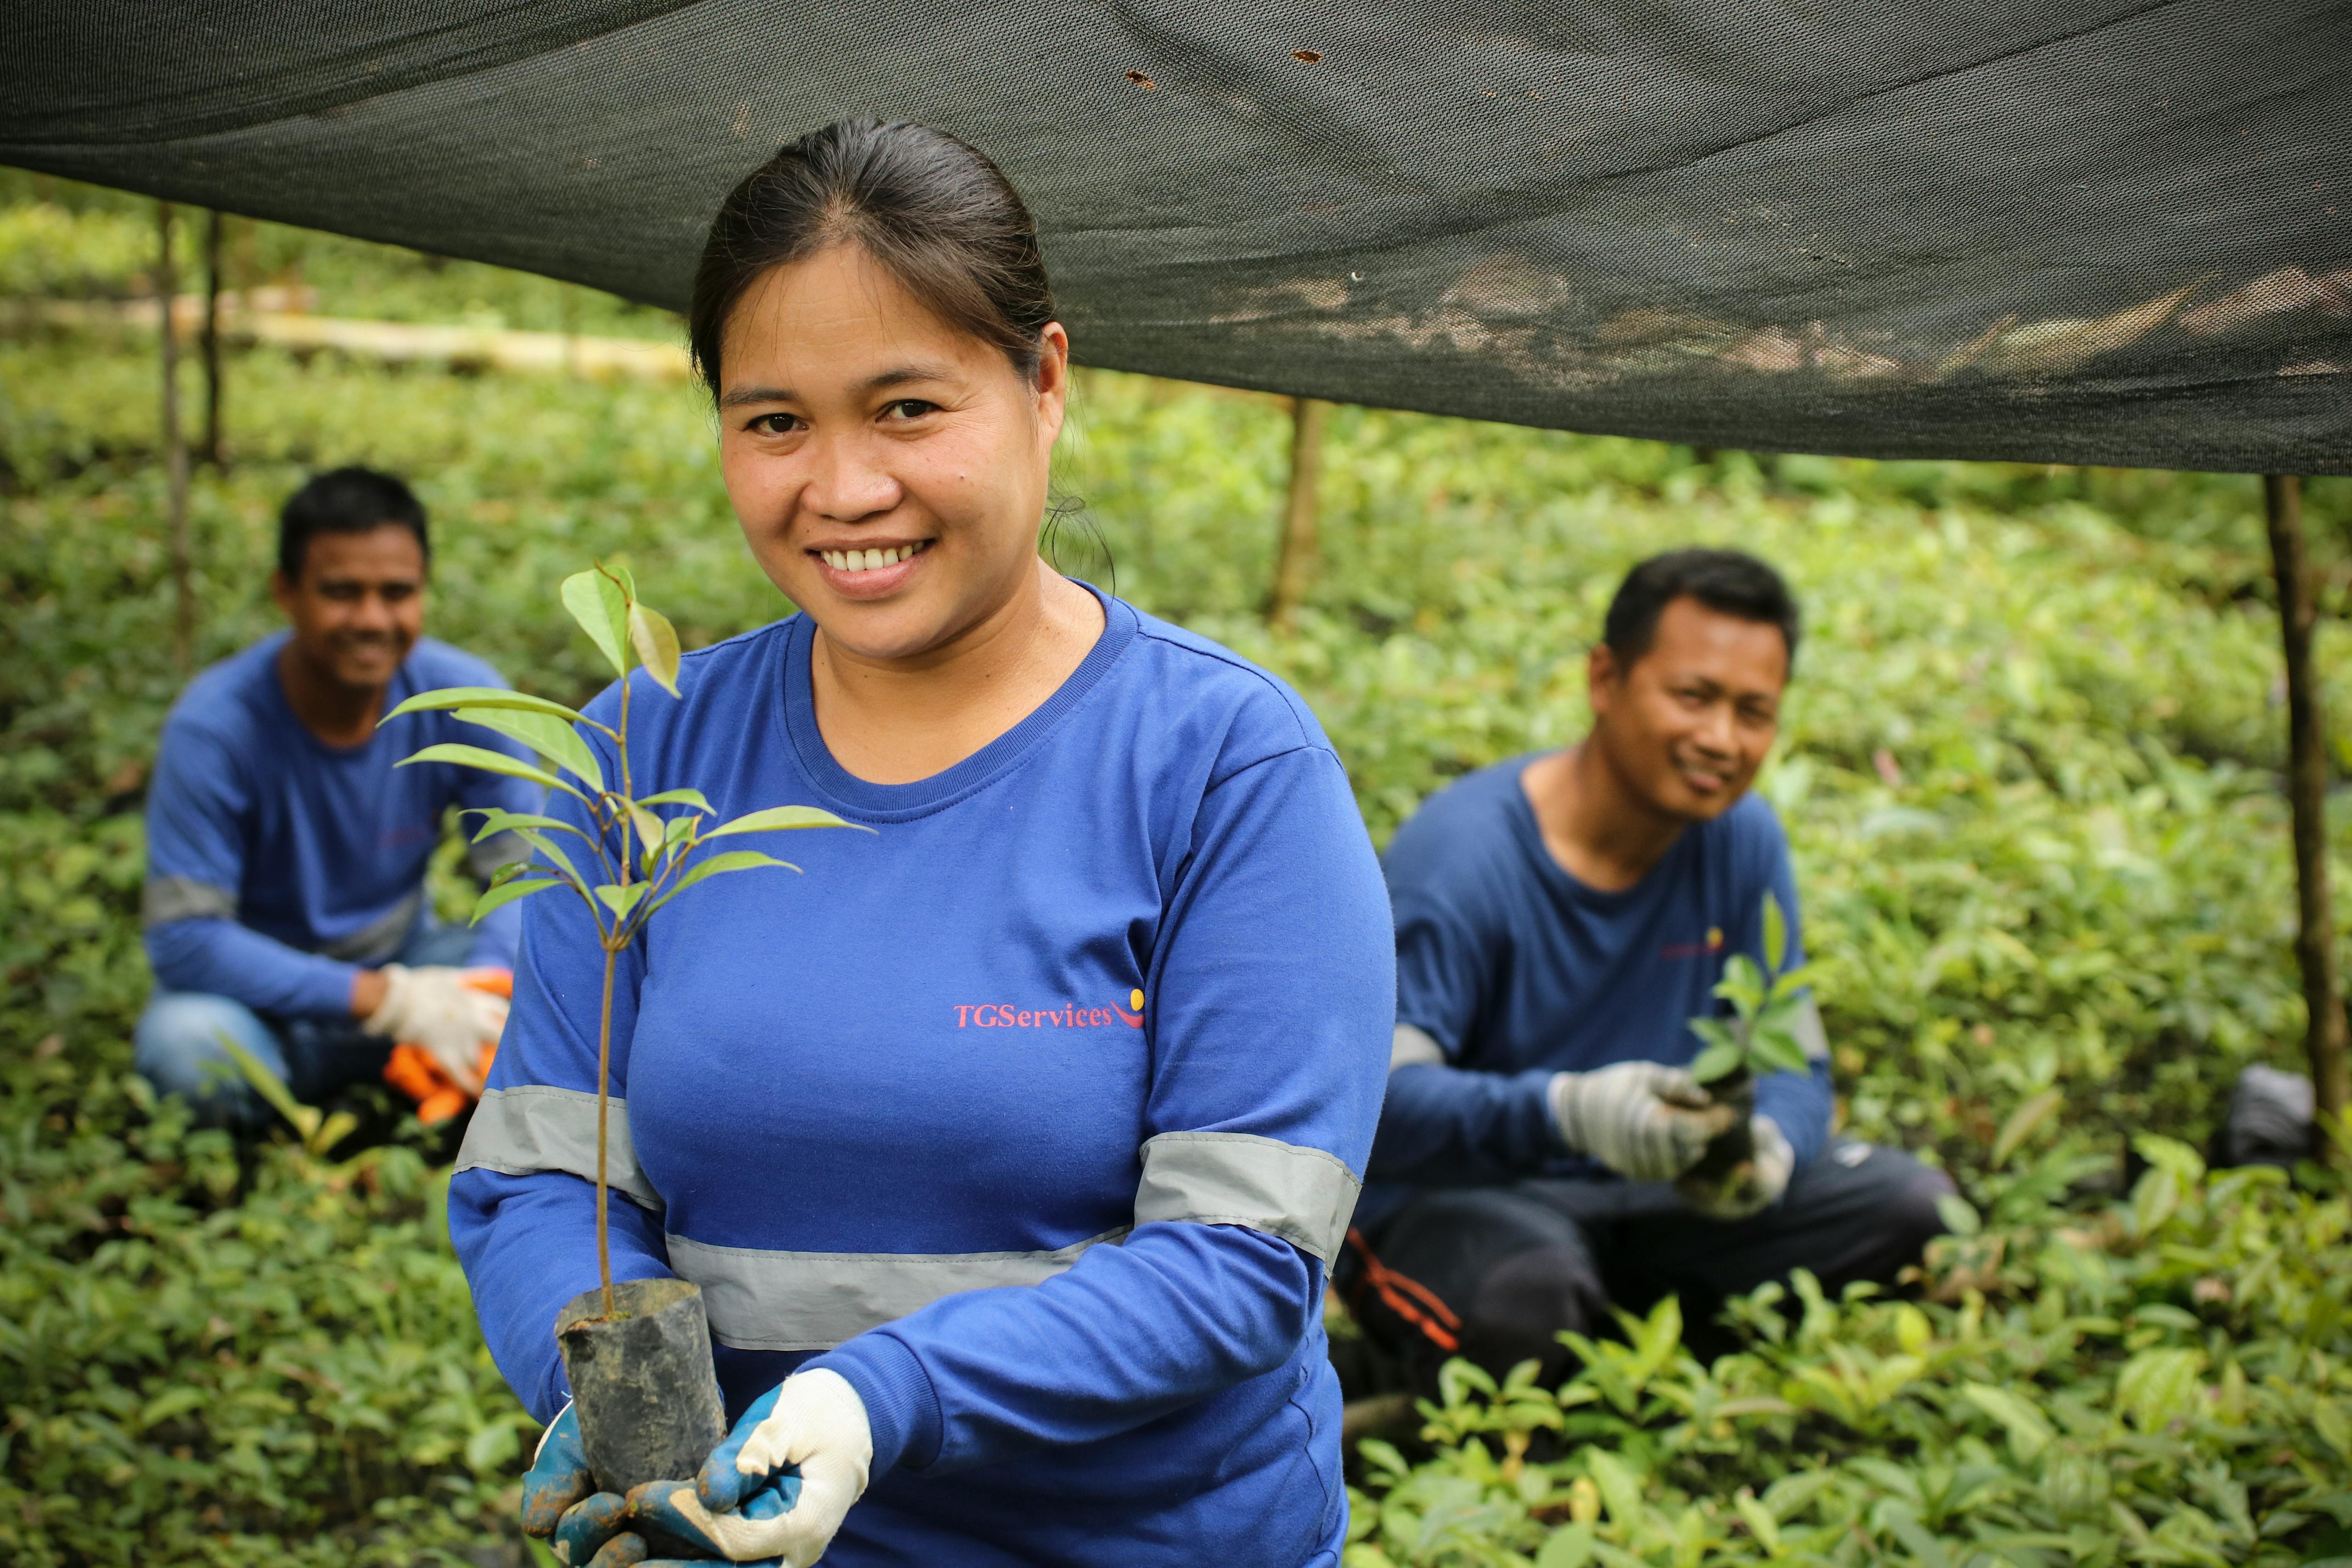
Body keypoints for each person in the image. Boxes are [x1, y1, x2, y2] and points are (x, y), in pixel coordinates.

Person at [448, 119, 1392, 1568]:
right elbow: (539, 1175)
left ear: (1047, 383)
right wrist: (614, 1400)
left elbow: (1240, 1260)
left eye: (906, 408)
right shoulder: (643, 753)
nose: (841, 488)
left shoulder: (1223, 764)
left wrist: (881, 1395)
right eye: (775, 421)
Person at [1344, 548, 1952, 1384]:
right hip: (1469, 1194)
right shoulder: (1465, 857)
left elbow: (1794, 1059)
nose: (1721, 739)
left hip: (1659, 1193)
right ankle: (1578, 1331)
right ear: (1605, 679)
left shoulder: (1744, 839)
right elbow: (1371, 1107)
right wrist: (1566, 1113)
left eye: (1754, 712)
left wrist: (1767, 1151)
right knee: (1524, 1300)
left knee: (1917, 1209)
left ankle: (1622, 1331)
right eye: (1694, 697)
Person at [136, 467, 536, 1128]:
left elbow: (532, 873)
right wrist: (383, 999)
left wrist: (483, 990)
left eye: (397, 592)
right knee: (188, 1048)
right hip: (263, 1000)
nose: (373, 619)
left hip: (417, 965)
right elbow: (186, 938)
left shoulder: (463, 696)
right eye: (342, 593)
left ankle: (430, 1076)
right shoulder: (215, 728)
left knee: (573, 998)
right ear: (286, 592)